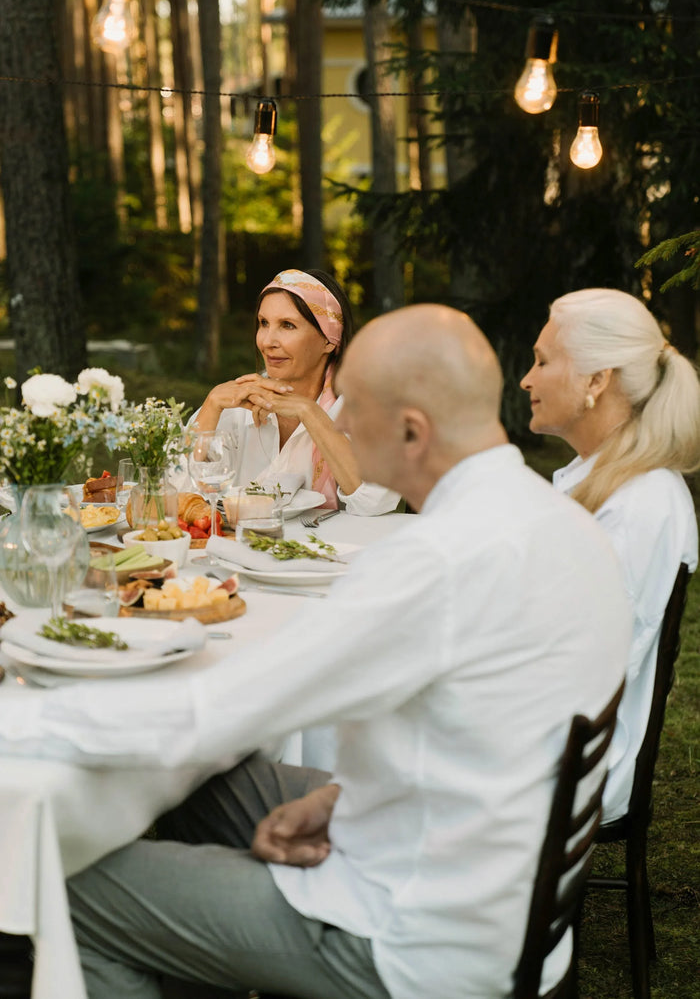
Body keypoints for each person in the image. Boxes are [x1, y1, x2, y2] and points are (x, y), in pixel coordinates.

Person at [0, 306, 630, 999]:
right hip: (482, 878)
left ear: (411, 431)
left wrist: (20, 722)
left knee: (66, 889)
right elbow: (504, 730)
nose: (341, 425)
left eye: (352, 409)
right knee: (205, 785)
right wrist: (337, 796)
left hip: (408, 934)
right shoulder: (564, 520)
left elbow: (209, 713)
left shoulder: (436, 560)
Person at [521, 287, 700, 822]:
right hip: (549, 732)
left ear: (597, 380)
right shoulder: (603, 478)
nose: (527, 379)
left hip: (567, 761)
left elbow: (572, 672)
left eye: (543, 361)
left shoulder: (636, 505)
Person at [191, 267, 399, 515]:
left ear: (329, 340)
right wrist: (211, 405)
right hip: (244, 549)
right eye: (263, 323)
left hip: (333, 551)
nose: (267, 341)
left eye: (287, 325)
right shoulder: (238, 406)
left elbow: (375, 503)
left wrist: (309, 412)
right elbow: (181, 490)